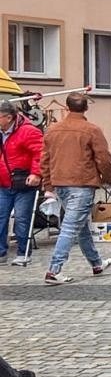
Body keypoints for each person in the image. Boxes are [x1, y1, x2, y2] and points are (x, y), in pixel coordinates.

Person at [40, 92, 111, 286]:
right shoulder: (92, 130)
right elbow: (103, 158)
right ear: (86, 108)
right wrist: (107, 178)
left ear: (66, 107)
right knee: (72, 227)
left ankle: (96, 263)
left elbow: (45, 160)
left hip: (60, 183)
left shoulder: (52, 129)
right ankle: (54, 270)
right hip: (82, 183)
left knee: (80, 226)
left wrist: (48, 184)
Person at [0, 100, 44, 266]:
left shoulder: (28, 131)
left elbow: (40, 153)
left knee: (22, 218)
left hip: (23, 182)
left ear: (8, 117)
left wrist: (36, 174)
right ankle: (1, 253)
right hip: (3, 182)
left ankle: (23, 252)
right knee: (0, 218)